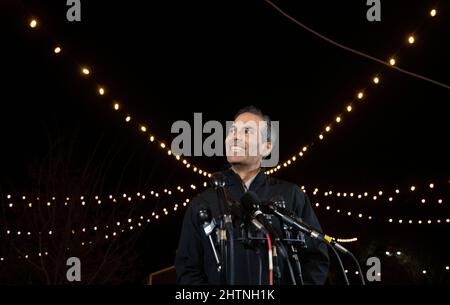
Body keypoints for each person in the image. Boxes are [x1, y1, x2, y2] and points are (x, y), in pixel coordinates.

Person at [175, 105, 329, 284]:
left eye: (247, 131)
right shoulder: (202, 203)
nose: (235, 136)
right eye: (232, 130)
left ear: (267, 147)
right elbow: (188, 269)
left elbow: (316, 259)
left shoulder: (291, 195)